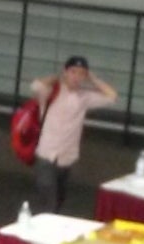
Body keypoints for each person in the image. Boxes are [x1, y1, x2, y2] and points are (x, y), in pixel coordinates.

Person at [25, 57, 117, 213]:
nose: (76, 77)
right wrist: (57, 77)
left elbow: (112, 96)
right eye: (73, 72)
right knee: (50, 203)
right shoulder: (51, 92)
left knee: (59, 199)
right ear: (66, 72)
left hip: (67, 157)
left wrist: (93, 79)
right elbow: (36, 85)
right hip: (47, 154)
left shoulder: (84, 97)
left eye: (81, 74)